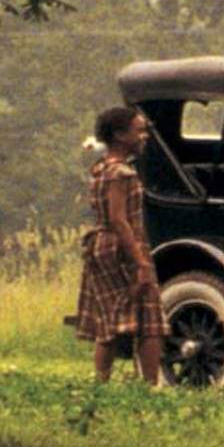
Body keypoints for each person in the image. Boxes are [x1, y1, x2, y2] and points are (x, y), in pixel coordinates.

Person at [74, 106, 172, 387]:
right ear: (119, 135)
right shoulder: (122, 173)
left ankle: (101, 384)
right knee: (150, 319)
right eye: (138, 131)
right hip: (122, 246)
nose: (143, 136)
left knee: (109, 320)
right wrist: (140, 261)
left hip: (101, 244)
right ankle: (148, 385)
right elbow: (119, 220)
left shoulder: (101, 168)